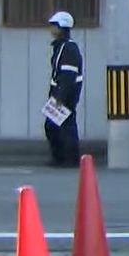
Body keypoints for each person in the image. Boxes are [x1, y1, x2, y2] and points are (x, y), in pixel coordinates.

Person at [45, 11, 84, 168]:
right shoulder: (62, 46)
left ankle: (66, 158)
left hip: (65, 95)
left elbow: (67, 76)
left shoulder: (68, 48)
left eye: (54, 26)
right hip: (62, 93)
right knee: (59, 125)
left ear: (62, 27)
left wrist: (60, 97)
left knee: (59, 126)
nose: (51, 29)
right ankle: (64, 158)